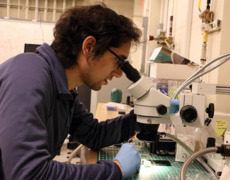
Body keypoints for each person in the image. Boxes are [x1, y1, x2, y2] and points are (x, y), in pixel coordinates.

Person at [0, 3, 142, 180]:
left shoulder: (62, 90)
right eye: (119, 61)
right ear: (89, 47)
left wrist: (144, 116)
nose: (119, 72)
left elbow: (93, 134)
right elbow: (29, 174)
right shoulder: (28, 73)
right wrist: (116, 169)